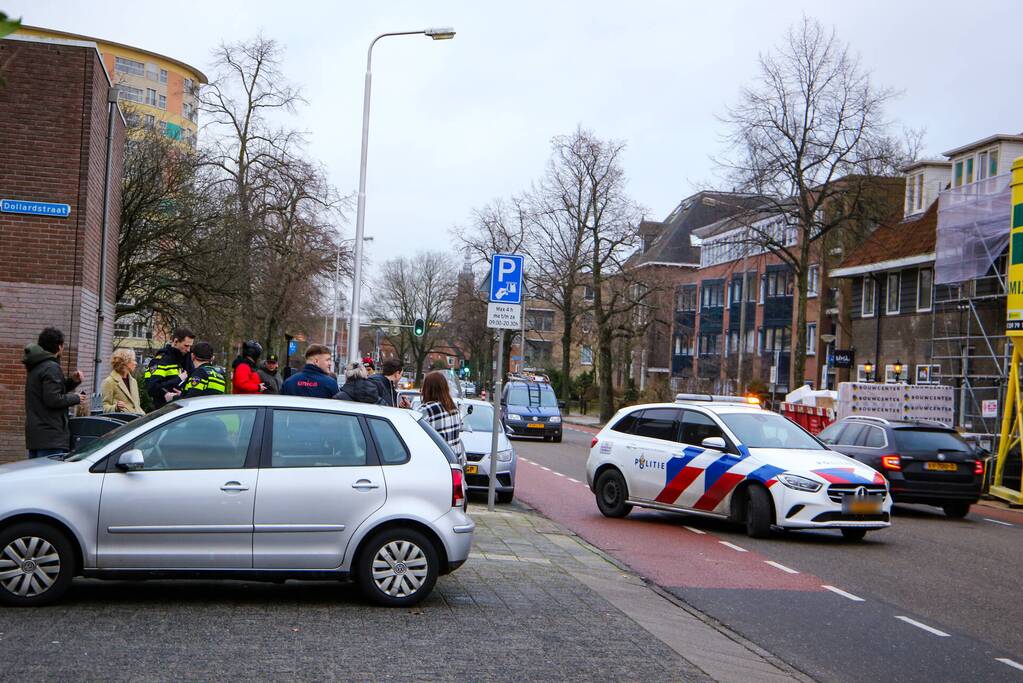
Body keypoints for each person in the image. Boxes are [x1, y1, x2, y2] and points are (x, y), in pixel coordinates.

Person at [23, 327, 88, 458]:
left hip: (37, 434)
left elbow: (50, 391)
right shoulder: (51, 367)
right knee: (48, 476)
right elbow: (53, 399)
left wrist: (72, 381)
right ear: (59, 347)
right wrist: (76, 398)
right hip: (51, 436)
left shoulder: (37, 365)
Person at [417, 371, 465, 465]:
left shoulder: (425, 410)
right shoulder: (454, 408)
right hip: (455, 461)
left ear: (427, 389)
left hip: (437, 462)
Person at [144, 327, 195, 408]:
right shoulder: (161, 360)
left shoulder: (186, 358)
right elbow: (152, 388)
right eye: (186, 346)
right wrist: (178, 379)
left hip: (183, 408)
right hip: (165, 410)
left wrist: (183, 394)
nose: (188, 350)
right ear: (175, 341)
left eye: (190, 346)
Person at [101, 348, 143, 414]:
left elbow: (137, 407)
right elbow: (104, 408)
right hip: (122, 422)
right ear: (125, 363)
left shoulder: (134, 381)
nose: (136, 363)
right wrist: (115, 408)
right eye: (133, 360)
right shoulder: (109, 382)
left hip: (136, 422)